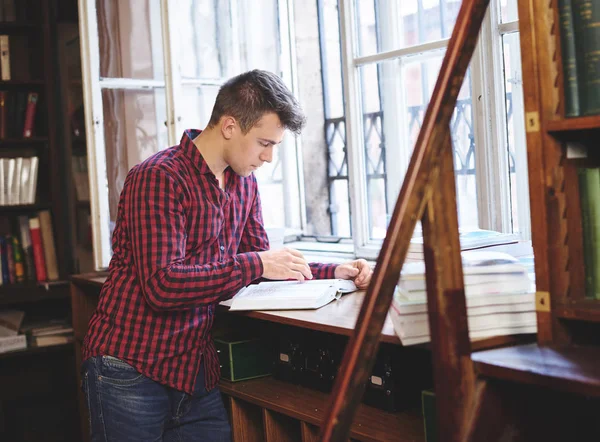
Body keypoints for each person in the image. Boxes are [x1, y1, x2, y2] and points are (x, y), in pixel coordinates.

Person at [81, 69, 373, 441]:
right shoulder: (157, 177)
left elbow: (260, 266)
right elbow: (163, 285)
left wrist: (337, 271)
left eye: (275, 147)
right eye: (264, 143)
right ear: (230, 126)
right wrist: (258, 263)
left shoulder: (244, 184)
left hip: (193, 372)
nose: (268, 158)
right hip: (129, 368)